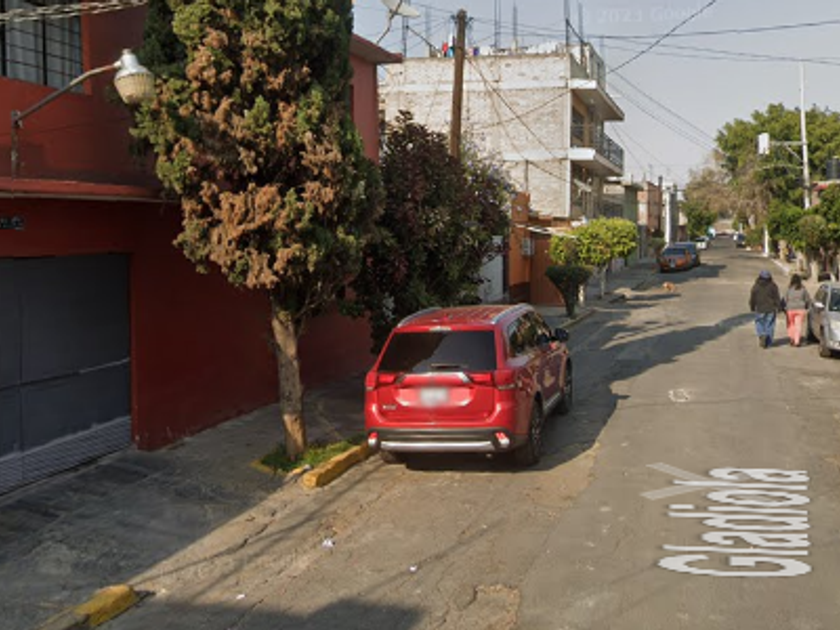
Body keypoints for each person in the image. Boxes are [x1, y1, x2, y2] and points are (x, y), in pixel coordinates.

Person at [749, 270, 781, 348]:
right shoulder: (773, 286)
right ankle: (768, 342)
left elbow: (753, 298)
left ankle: (761, 334)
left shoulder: (756, 286)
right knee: (770, 325)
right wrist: (779, 307)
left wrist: (752, 306)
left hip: (760, 308)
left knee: (759, 322)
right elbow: (777, 298)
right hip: (771, 309)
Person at [783, 274, 811, 347]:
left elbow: (785, 299)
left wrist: (785, 307)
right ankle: (797, 341)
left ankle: (792, 338)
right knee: (798, 325)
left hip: (790, 309)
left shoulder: (789, 289)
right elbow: (807, 299)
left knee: (791, 324)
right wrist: (807, 306)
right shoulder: (803, 289)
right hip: (800, 309)